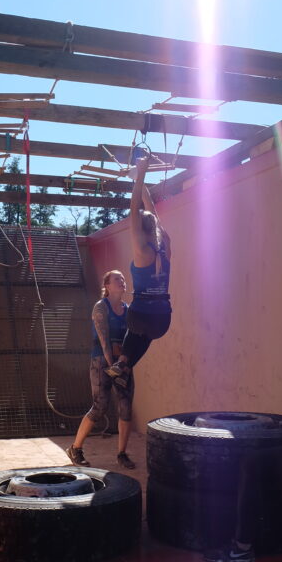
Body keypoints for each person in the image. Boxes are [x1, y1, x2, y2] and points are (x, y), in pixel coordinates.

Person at [105, 152, 172, 388]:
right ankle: (124, 365)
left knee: (136, 331)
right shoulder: (165, 246)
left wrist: (141, 173)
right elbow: (151, 213)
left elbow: (134, 210)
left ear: (141, 230)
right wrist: (139, 180)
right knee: (144, 334)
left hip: (143, 314)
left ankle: (124, 361)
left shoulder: (142, 251)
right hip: (162, 320)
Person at [66, 269, 136, 470]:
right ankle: (75, 448)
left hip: (122, 362)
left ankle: (122, 454)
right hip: (101, 361)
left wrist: (124, 364)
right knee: (100, 406)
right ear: (107, 285)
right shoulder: (100, 307)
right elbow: (104, 342)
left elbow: (132, 340)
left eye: (123, 278)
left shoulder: (128, 310)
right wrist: (113, 366)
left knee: (126, 407)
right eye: (117, 279)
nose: (122, 281)